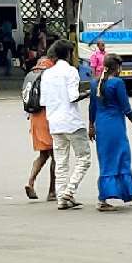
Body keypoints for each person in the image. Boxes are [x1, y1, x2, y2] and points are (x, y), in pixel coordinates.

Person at [90, 54, 132, 210]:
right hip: (115, 126)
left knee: (107, 159)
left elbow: (92, 107)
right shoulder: (117, 83)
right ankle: (103, 200)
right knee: (122, 156)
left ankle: (130, 192)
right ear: (117, 68)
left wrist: (91, 126)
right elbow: (126, 109)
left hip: (102, 126)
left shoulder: (95, 83)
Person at [40, 39, 92, 210]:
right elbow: (72, 96)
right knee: (84, 158)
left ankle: (62, 197)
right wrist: (87, 93)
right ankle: (69, 191)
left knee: (61, 162)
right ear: (68, 54)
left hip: (54, 122)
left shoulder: (47, 73)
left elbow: (44, 100)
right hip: (72, 121)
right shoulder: (70, 71)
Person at [24, 49, 57, 201]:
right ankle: (52, 191)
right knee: (56, 155)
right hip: (47, 117)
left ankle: (30, 181)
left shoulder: (32, 73)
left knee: (43, 154)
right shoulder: (50, 73)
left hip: (34, 118)